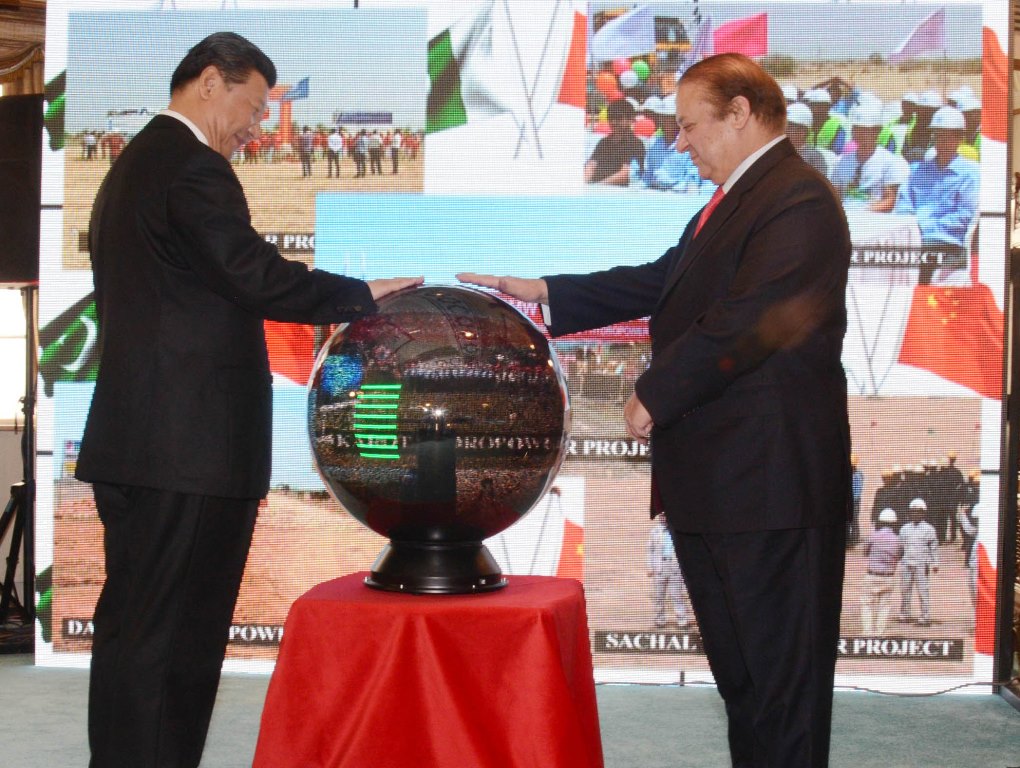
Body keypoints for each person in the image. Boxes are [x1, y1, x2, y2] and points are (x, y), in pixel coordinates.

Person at [459, 53, 852, 768]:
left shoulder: (797, 199)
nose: (680, 143)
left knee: (781, 694)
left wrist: (655, 392)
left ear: (740, 112)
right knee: (746, 685)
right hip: (724, 487)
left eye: (689, 125)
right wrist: (544, 289)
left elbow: (754, 319)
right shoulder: (735, 200)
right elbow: (662, 281)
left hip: (771, 489)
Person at [74, 32, 422, 768]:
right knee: (176, 644)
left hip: (142, 446)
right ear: (209, 82)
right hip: (188, 453)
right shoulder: (194, 168)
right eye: (254, 105)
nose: (258, 125)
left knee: (138, 635)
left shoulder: (131, 168)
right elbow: (257, 277)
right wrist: (362, 294)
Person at [893, 105, 979, 285]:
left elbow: (964, 216)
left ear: (959, 139)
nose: (943, 143)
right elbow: (904, 204)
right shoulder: (919, 170)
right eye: (939, 136)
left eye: (948, 137)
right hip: (913, 236)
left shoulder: (970, 174)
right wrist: (910, 226)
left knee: (918, 255)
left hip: (945, 240)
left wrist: (925, 227)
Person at [831, 103, 909, 213]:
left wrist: (862, 212)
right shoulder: (841, 161)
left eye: (865, 130)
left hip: (872, 218)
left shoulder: (891, 162)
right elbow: (835, 195)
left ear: (877, 131)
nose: (859, 134)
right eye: (857, 129)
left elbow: (890, 200)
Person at [860, 508, 903, 636]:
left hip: (872, 575)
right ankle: (880, 633)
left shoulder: (873, 535)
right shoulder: (898, 539)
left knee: (866, 605)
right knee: (884, 606)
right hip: (889, 577)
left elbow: (865, 552)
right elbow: (900, 555)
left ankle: (867, 632)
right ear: (894, 523)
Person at [897, 498, 939, 626]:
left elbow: (934, 547)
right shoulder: (904, 528)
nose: (915, 514)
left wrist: (935, 563)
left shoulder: (929, 529)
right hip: (906, 563)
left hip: (922, 564)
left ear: (923, 513)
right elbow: (900, 547)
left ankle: (925, 616)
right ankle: (905, 614)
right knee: (905, 590)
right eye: (913, 511)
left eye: (918, 512)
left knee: (922, 591)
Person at [584, 97, 645, 186]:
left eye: (618, 118)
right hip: (595, 188)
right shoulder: (603, 142)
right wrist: (583, 184)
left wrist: (597, 186)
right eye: (611, 118)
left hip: (617, 193)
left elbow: (625, 174)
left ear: (630, 120)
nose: (613, 122)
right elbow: (591, 166)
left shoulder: (635, 144)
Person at [646, 513, 689, 628]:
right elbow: (650, 550)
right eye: (661, 516)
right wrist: (650, 566)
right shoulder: (655, 532)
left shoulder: (678, 531)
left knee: (676, 595)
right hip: (660, 566)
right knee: (659, 595)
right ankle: (660, 619)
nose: (663, 518)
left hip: (674, 566)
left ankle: (682, 619)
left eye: (665, 515)